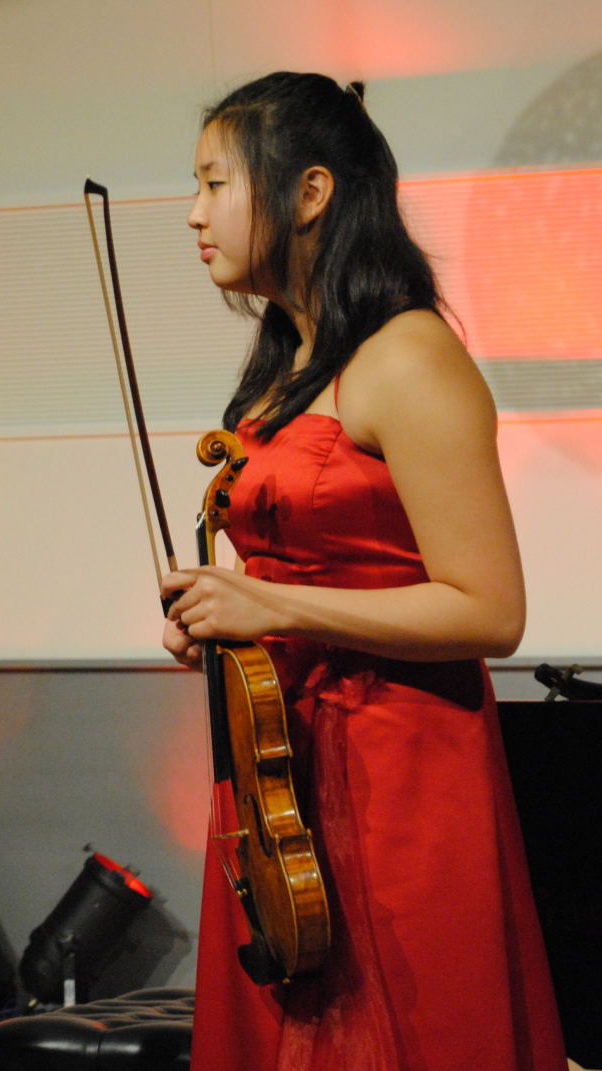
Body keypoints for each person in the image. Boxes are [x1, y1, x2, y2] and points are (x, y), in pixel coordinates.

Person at [165, 73, 566, 1070]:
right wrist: (221, 617)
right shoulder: (286, 366)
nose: (193, 214)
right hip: (279, 770)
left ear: (309, 193)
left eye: (215, 183)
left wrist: (270, 602)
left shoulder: (407, 356)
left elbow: (491, 609)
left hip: (397, 772)